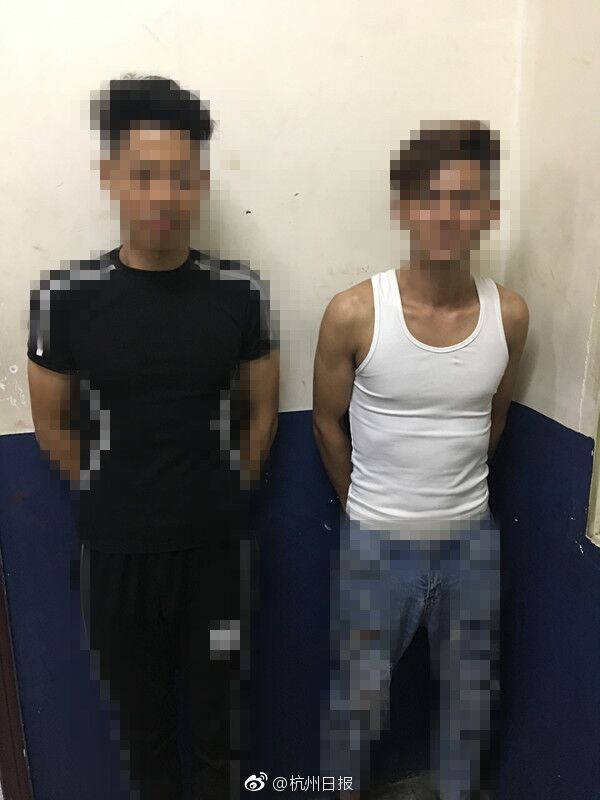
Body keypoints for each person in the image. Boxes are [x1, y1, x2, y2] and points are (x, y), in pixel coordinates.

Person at [27, 75, 279, 799]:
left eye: (179, 176)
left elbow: (263, 414)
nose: (162, 196)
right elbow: (51, 424)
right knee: (143, 737)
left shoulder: (240, 293)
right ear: (111, 176)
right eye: (143, 175)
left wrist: (225, 492)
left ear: (200, 182)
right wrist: (113, 493)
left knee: (219, 731)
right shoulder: (64, 298)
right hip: (115, 558)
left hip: (217, 555)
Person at [313, 120, 529, 800]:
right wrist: (365, 507)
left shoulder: (510, 315)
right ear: (402, 208)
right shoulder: (355, 312)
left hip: (471, 546)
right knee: (355, 707)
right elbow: (325, 421)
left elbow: (491, 418)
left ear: (490, 211)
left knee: (470, 707)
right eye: (430, 197)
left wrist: (453, 502)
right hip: (376, 546)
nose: (446, 215)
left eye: (465, 198)